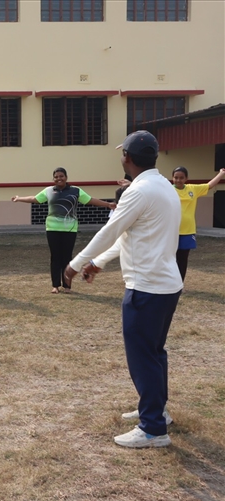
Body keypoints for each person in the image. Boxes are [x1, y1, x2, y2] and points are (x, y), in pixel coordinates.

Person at [64, 130, 182, 448]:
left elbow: (110, 230)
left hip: (146, 288)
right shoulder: (164, 187)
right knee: (154, 353)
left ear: (126, 157)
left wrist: (75, 263)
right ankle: (157, 411)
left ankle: (153, 428)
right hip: (166, 285)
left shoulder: (138, 191)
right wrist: (98, 262)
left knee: (143, 357)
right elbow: (129, 236)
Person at [11, 168, 115, 294]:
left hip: (70, 229)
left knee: (67, 257)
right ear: (53, 179)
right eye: (56, 177)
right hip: (52, 229)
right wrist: (19, 198)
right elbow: (35, 199)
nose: (59, 179)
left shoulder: (75, 191)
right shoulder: (49, 190)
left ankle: (67, 286)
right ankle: (55, 285)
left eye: (61, 176)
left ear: (66, 177)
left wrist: (107, 204)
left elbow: (90, 200)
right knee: (55, 257)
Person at [171, 166, 225, 280]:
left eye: (181, 178)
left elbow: (209, 185)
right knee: (171, 259)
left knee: (183, 259)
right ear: (172, 178)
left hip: (187, 231)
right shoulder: (167, 190)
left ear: (186, 178)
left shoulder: (192, 189)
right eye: (176, 177)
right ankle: (170, 283)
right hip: (171, 231)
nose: (178, 180)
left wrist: (221, 173)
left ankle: (180, 283)